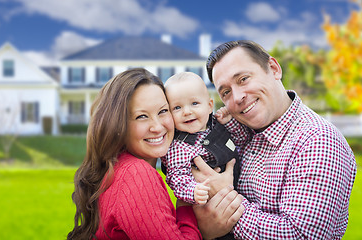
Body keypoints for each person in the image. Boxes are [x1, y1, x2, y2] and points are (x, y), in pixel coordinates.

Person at [194, 40, 357, 239]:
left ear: (273, 69)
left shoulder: (317, 140)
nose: (237, 97)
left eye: (243, 79)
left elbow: (301, 236)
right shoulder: (241, 133)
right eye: (226, 92)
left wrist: (225, 202)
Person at [67, 68, 244, 240]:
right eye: (141, 116)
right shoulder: (136, 174)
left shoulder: (119, 167)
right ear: (118, 125)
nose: (158, 127)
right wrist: (197, 221)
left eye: (162, 111)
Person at [161, 72, 240, 205]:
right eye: (177, 107)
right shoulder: (178, 147)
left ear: (209, 106)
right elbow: (177, 178)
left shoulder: (217, 124)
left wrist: (229, 122)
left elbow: (241, 140)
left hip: (242, 189)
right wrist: (193, 191)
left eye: (194, 103)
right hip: (211, 202)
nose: (187, 112)